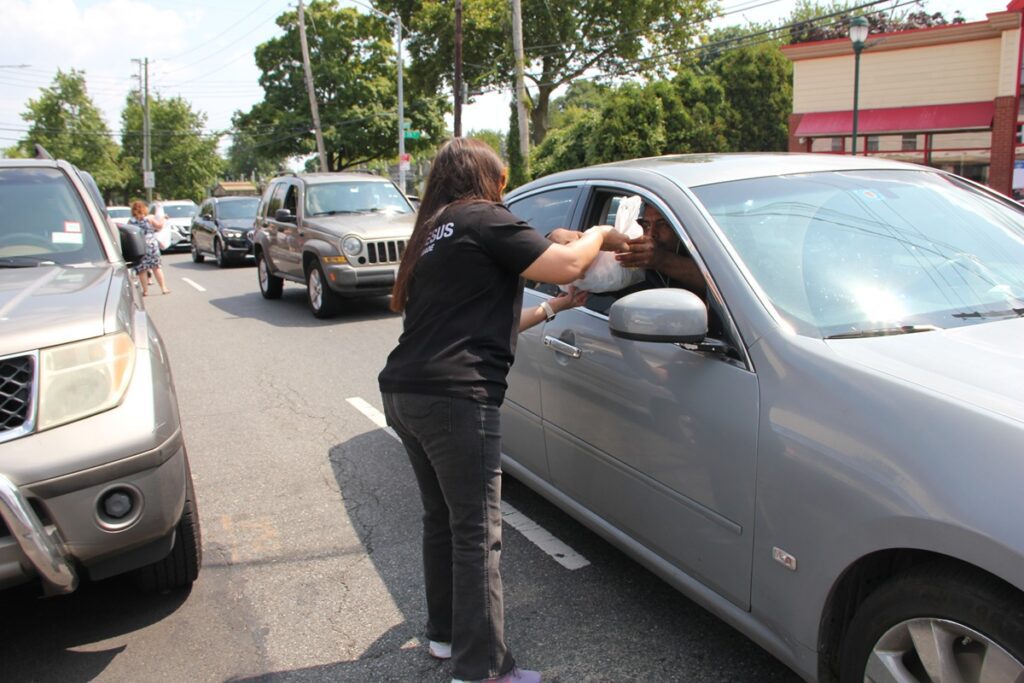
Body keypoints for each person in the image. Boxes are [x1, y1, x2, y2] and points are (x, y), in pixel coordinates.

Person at [378, 138, 622, 683]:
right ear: (489, 178)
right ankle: (485, 668)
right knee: (476, 532)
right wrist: (601, 232)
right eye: (502, 178)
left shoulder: (433, 233)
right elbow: (567, 263)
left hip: (405, 390)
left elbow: (477, 325)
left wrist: (553, 309)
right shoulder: (484, 218)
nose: (505, 187)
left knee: (442, 521)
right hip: (456, 399)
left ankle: (445, 637)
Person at [614, 203, 706, 301]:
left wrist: (661, 260)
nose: (651, 234)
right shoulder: (635, 265)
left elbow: (714, 282)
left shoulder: (702, 254)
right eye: (646, 225)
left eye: (662, 224)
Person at [127, 200, 170, 295]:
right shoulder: (149, 218)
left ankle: (145, 290)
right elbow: (159, 227)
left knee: (142, 270)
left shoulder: (131, 221)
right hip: (152, 246)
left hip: (139, 247)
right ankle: (163, 288)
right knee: (156, 267)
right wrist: (164, 218)